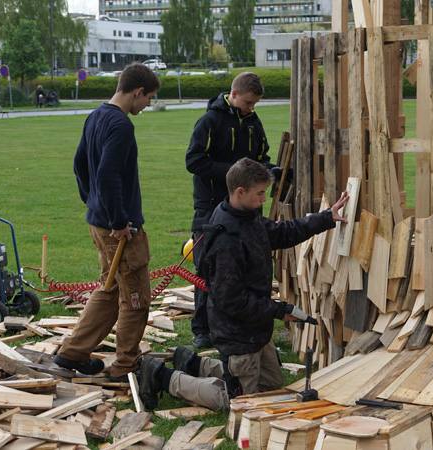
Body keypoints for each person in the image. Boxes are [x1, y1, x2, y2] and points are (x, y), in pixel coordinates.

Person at [138, 158, 348, 410]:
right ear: (240, 192)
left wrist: (326, 218)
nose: (264, 199)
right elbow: (232, 300)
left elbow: (280, 233)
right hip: (237, 332)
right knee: (240, 402)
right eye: (260, 193)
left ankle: (194, 365)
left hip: (255, 327)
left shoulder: (247, 216)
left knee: (271, 387)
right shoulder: (227, 241)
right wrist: (278, 310)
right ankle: (163, 377)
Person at [54, 62, 160, 382]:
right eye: (149, 98)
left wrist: (94, 203)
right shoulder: (121, 125)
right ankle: (126, 365)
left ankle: (73, 352)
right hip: (119, 228)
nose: (148, 104)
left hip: (98, 223)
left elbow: (79, 166)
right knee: (136, 297)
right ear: (137, 91)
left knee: (110, 289)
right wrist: (118, 220)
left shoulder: (96, 115)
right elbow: (108, 174)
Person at [186, 72, 287, 349]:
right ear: (233, 94)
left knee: (242, 268)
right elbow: (194, 160)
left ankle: (237, 322)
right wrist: (233, 174)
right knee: (205, 267)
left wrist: (270, 171)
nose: (251, 108)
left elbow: (261, 157)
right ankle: (202, 328)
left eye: (255, 104)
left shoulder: (253, 123)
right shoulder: (210, 121)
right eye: (247, 102)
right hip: (210, 205)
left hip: (244, 207)